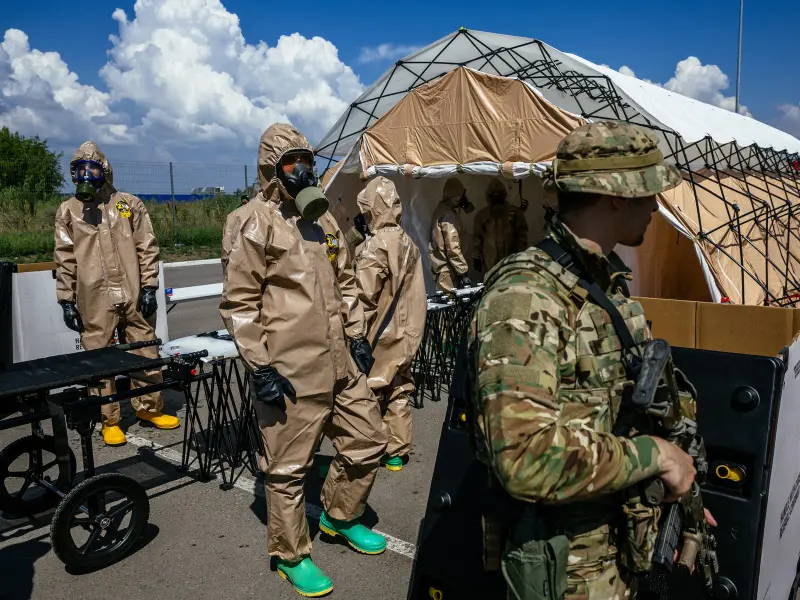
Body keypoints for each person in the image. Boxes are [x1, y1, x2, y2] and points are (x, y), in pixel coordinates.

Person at [468, 121, 716, 600]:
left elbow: (616, 414)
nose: (655, 206)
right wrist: (658, 457)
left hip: (616, 547)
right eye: (649, 193)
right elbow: (522, 458)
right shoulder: (527, 296)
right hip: (567, 570)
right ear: (615, 196)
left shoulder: (599, 283)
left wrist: (675, 487)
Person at [219, 123, 388, 598]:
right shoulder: (252, 221)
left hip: (340, 365)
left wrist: (356, 336)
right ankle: (291, 555)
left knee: (369, 439)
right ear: (272, 168)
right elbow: (239, 303)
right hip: (289, 372)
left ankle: (340, 516)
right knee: (288, 469)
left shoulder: (324, 221)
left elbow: (348, 282)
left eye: (307, 161)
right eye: (292, 162)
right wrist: (260, 366)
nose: (303, 170)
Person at [54, 141, 179, 447]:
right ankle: (109, 420)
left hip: (134, 293)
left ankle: (149, 409)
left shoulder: (129, 204)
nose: (87, 174)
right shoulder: (68, 211)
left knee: (146, 352)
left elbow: (146, 246)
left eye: (93, 168)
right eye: (81, 169)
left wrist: (149, 285)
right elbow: (65, 257)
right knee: (100, 361)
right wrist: (67, 300)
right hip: (94, 297)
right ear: (74, 173)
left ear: (105, 170)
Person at [353, 176, 426, 472]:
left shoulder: (375, 247)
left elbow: (362, 297)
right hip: (408, 331)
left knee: (368, 390)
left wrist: (353, 333)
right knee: (399, 387)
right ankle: (396, 451)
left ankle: (366, 449)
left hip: (381, 334)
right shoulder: (408, 241)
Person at [472, 177, 528, 274]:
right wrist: (476, 256)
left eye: (499, 196)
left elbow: (522, 235)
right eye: (494, 196)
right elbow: (477, 237)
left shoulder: (514, 212)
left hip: (511, 258)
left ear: (504, 195)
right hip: (490, 260)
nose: (497, 199)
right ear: (489, 197)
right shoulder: (482, 215)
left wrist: (522, 255)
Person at [428, 177, 474, 292]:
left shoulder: (443, 210)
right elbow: (452, 247)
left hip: (444, 269)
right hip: (448, 272)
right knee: (452, 305)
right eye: (462, 195)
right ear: (456, 197)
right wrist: (463, 272)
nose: (465, 198)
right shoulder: (448, 215)